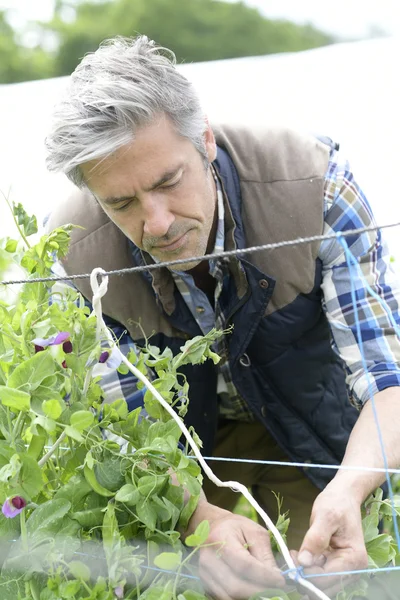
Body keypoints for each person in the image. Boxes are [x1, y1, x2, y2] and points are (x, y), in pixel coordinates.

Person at [45, 36, 400, 599]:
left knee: (327, 579)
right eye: (122, 204)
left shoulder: (315, 184)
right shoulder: (69, 257)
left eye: (168, 182)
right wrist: (195, 518)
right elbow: (122, 433)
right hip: (185, 459)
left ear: (205, 139)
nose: (157, 222)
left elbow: (388, 381)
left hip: (317, 434)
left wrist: (351, 489)